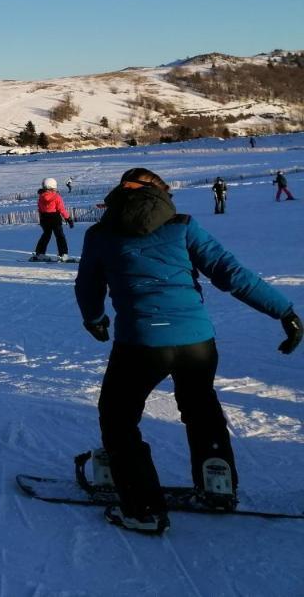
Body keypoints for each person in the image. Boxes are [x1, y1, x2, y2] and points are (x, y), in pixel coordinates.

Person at [75, 167, 300, 535]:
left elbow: (87, 286)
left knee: (118, 418)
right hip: (197, 343)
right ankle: (217, 485)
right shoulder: (182, 226)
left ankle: (143, 509)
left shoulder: (101, 234)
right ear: (161, 194)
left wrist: (95, 319)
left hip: (141, 344)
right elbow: (232, 272)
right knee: (200, 407)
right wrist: (284, 311)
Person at [31, 177, 73, 261]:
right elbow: (61, 209)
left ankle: (39, 254)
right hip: (55, 219)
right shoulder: (57, 197)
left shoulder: (41, 197)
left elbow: (39, 209)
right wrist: (68, 219)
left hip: (44, 219)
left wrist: (41, 219)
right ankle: (63, 254)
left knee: (46, 236)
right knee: (60, 236)